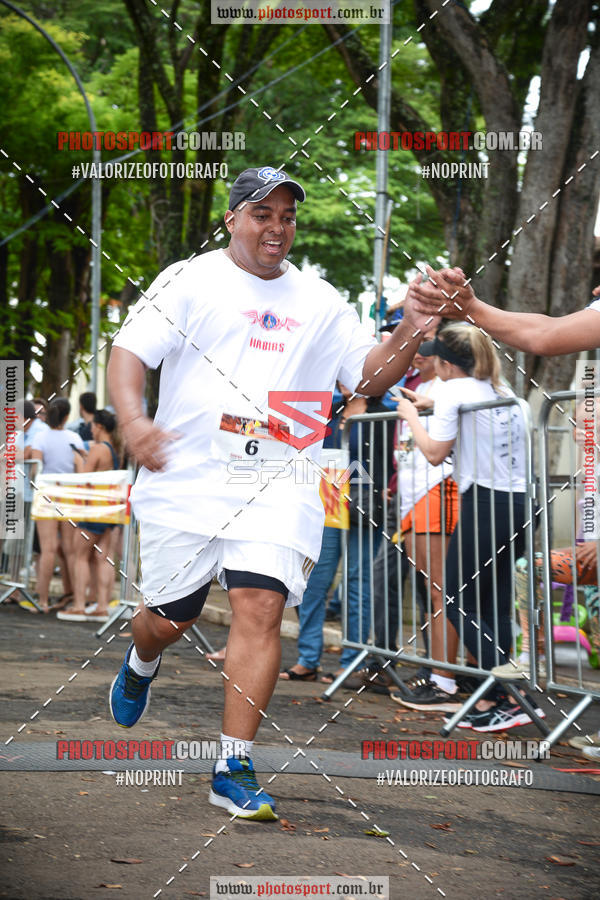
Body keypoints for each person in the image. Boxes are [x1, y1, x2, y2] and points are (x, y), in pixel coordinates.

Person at [106, 165, 436, 821]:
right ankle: (142, 655)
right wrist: (134, 420)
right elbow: (128, 353)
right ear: (233, 219)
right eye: (262, 214)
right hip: (189, 478)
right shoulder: (190, 279)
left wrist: (408, 330)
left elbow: (366, 376)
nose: (277, 228)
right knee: (172, 617)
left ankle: (232, 766)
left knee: (261, 604)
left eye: (287, 216)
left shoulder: (320, 300)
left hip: (280, 478)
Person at [394, 323, 532, 730]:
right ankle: (495, 697)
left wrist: (410, 416)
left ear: (447, 363)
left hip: (485, 502)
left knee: (457, 600)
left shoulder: (453, 390)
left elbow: (435, 454)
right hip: (518, 504)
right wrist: (428, 408)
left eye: (437, 356)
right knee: (494, 605)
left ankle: (512, 694)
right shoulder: (505, 393)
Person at [279, 384, 394, 684]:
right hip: (327, 504)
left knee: (358, 582)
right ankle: (308, 659)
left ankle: (352, 661)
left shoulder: (384, 412)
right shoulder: (328, 410)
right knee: (314, 581)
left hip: (366, 506)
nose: (347, 379)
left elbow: (386, 461)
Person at [58, 409, 121, 623]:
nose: (91, 430)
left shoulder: (97, 450)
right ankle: (102, 607)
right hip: (108, 510)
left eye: (93, 426)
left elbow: (83, 479)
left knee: (80, 556)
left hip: (93, 509)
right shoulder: (113, 449)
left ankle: (78, 606)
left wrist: (79, 460)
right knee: (103, 559)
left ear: (100, 427)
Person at [30, 398, 86, 612]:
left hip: (45, 493)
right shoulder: (75, 437)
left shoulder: (40, 437)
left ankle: (42, 601)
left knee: (47, 550)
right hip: (69, 494)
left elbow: (35, 469)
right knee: (71, 550)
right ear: (66, 416)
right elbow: (81, 467)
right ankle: (74, 599)